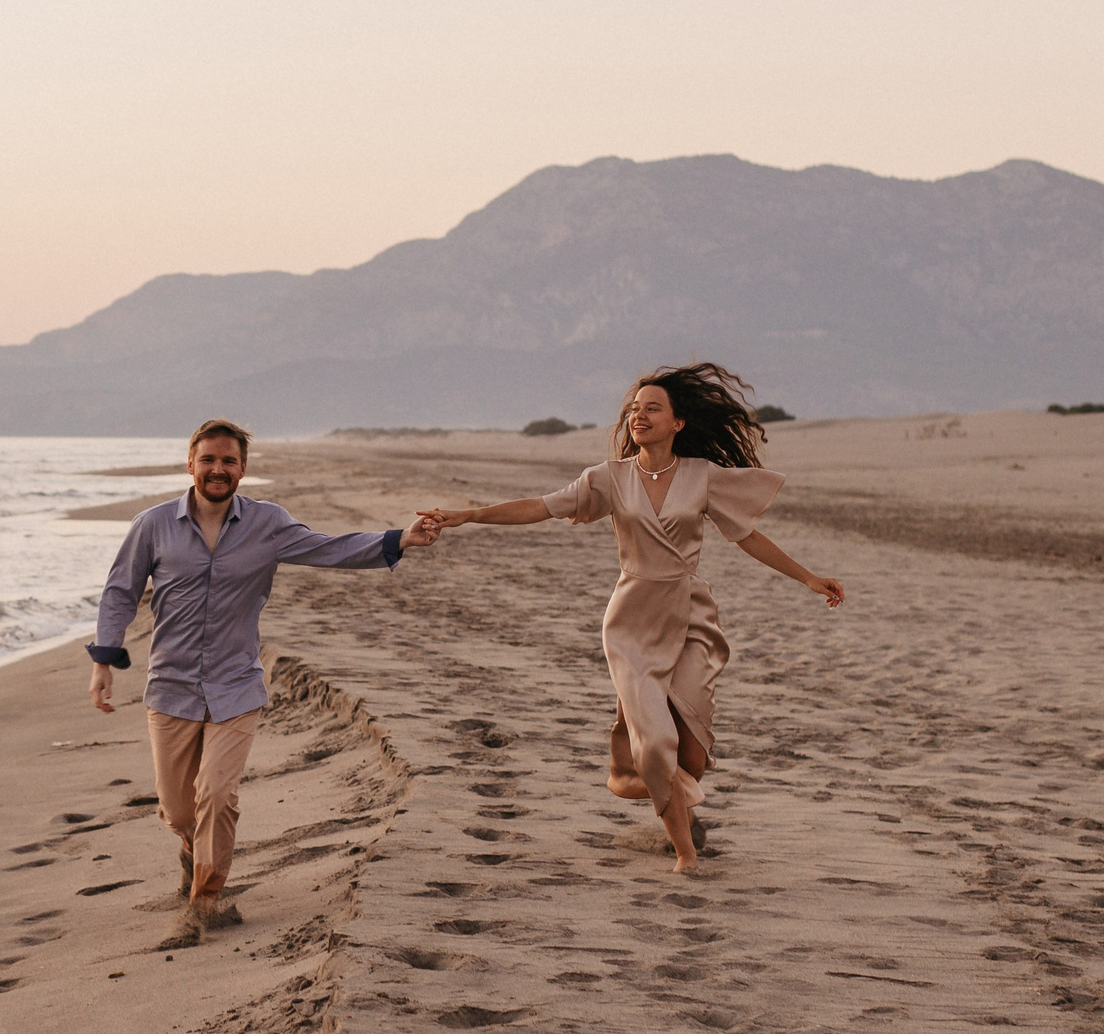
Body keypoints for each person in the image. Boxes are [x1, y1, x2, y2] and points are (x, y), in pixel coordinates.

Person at [419, 364, 843, 875]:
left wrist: (808, 578)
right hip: (632, 622)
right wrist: (470, 515)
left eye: (652, 408)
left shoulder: (701, 476)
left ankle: (628, 776)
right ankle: (686, 854)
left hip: (689, 616)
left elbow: (747, 536)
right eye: (634, 408)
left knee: (692, 754)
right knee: (659, 745)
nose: (638, 415)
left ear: (677, 423)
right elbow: (541, 507)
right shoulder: (609, 478)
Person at [90, 418, 441, 943]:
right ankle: (195, 854)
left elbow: (328, 548)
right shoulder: (153, 525)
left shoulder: (267, 524)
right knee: (179, 808)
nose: (218, 469)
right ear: (191, 464)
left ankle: (205, 902)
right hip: (171, 687)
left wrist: (399, 540)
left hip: (237, 685)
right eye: (208, 459)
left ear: (243, 469)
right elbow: (121, 591)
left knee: (215, 792)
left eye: (229, 461)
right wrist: (104, 658)